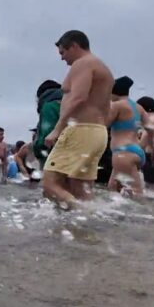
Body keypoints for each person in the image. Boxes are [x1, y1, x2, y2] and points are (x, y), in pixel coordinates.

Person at [42, 30, 113, 208]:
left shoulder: (83, 63)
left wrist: (58, 128)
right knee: (80, 190)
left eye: (63, 52)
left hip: (81, 130)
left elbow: (79, 97)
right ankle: (89, 220)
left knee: (49, 184)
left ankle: (83, 213)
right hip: (97, 131)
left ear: (74, 46)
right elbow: (106, 107)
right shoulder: (103, 68)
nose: (62, 58)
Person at [106, 77, 154, 196]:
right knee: (112, 188)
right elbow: (151, 130)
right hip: (137, 151)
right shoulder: (139, 108)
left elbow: (104, 123)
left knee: (136, 193)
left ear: (114, 92)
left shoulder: (117, 105)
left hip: (122, 153)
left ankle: (150, 208)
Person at [32, 80, 63, 170]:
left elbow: (47, 133)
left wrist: (38, 149)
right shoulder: (72, 103)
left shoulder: (49, 106)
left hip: (55, 156)